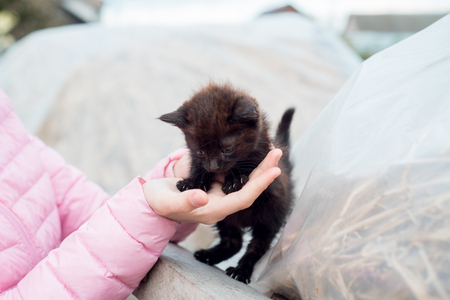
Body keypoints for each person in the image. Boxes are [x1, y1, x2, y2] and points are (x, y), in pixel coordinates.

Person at [0, 89, 282, 299]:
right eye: (200, 153)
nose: (213, 165)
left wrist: (169, 180)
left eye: (224, 152)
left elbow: (87, 207)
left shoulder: (8, 124)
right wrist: (149, 207)